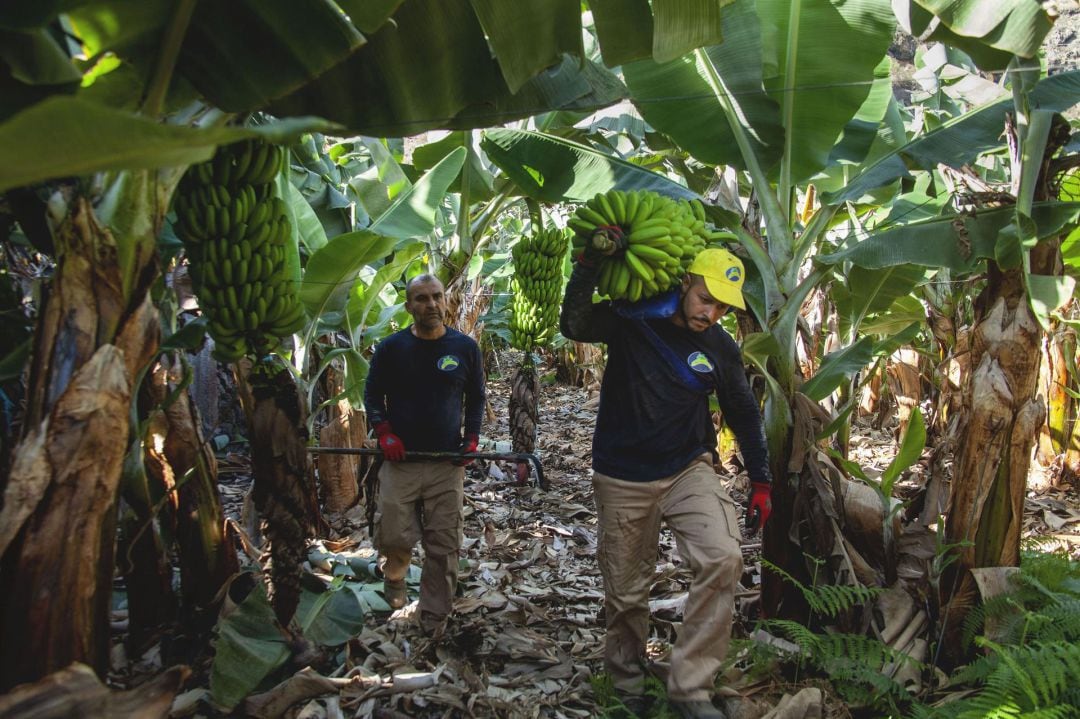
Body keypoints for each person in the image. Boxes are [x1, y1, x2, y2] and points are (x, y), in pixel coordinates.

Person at [560, 235, 773, 719]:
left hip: (686, 470)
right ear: (685, 283)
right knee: (626, 591)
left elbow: (743, 412)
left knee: (723, 557)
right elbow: (574, 323)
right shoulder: (631, 320)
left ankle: (690, 689)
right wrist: (589, 264)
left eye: (722, 307)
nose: (711, 313)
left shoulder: (719, 346)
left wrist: (761, 480)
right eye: (705, 299)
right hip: (622, 474)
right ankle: (626, 682)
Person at [363, 273, 485, 634]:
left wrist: (472, 438)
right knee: (394, 536)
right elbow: (373, 395)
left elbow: (476, 397)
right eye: (421, 298)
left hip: (445, 464)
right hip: (400, 462)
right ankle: (395, 578)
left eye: (437, 296)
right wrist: (384, 432)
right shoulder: (391, 348)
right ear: (408, 306)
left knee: (444, 543)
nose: (431, 304)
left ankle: (434, 616)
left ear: (445, 300)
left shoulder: (464, 348)